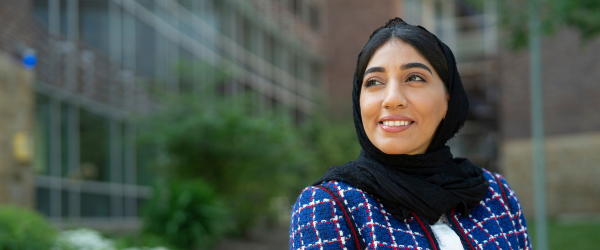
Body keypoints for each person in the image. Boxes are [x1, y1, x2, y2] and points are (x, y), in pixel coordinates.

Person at [289, 18, 531, 250]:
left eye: (414, 78)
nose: (392, 99)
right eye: (374, 82)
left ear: (448, 99)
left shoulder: (495, 194)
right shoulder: (329, 207)